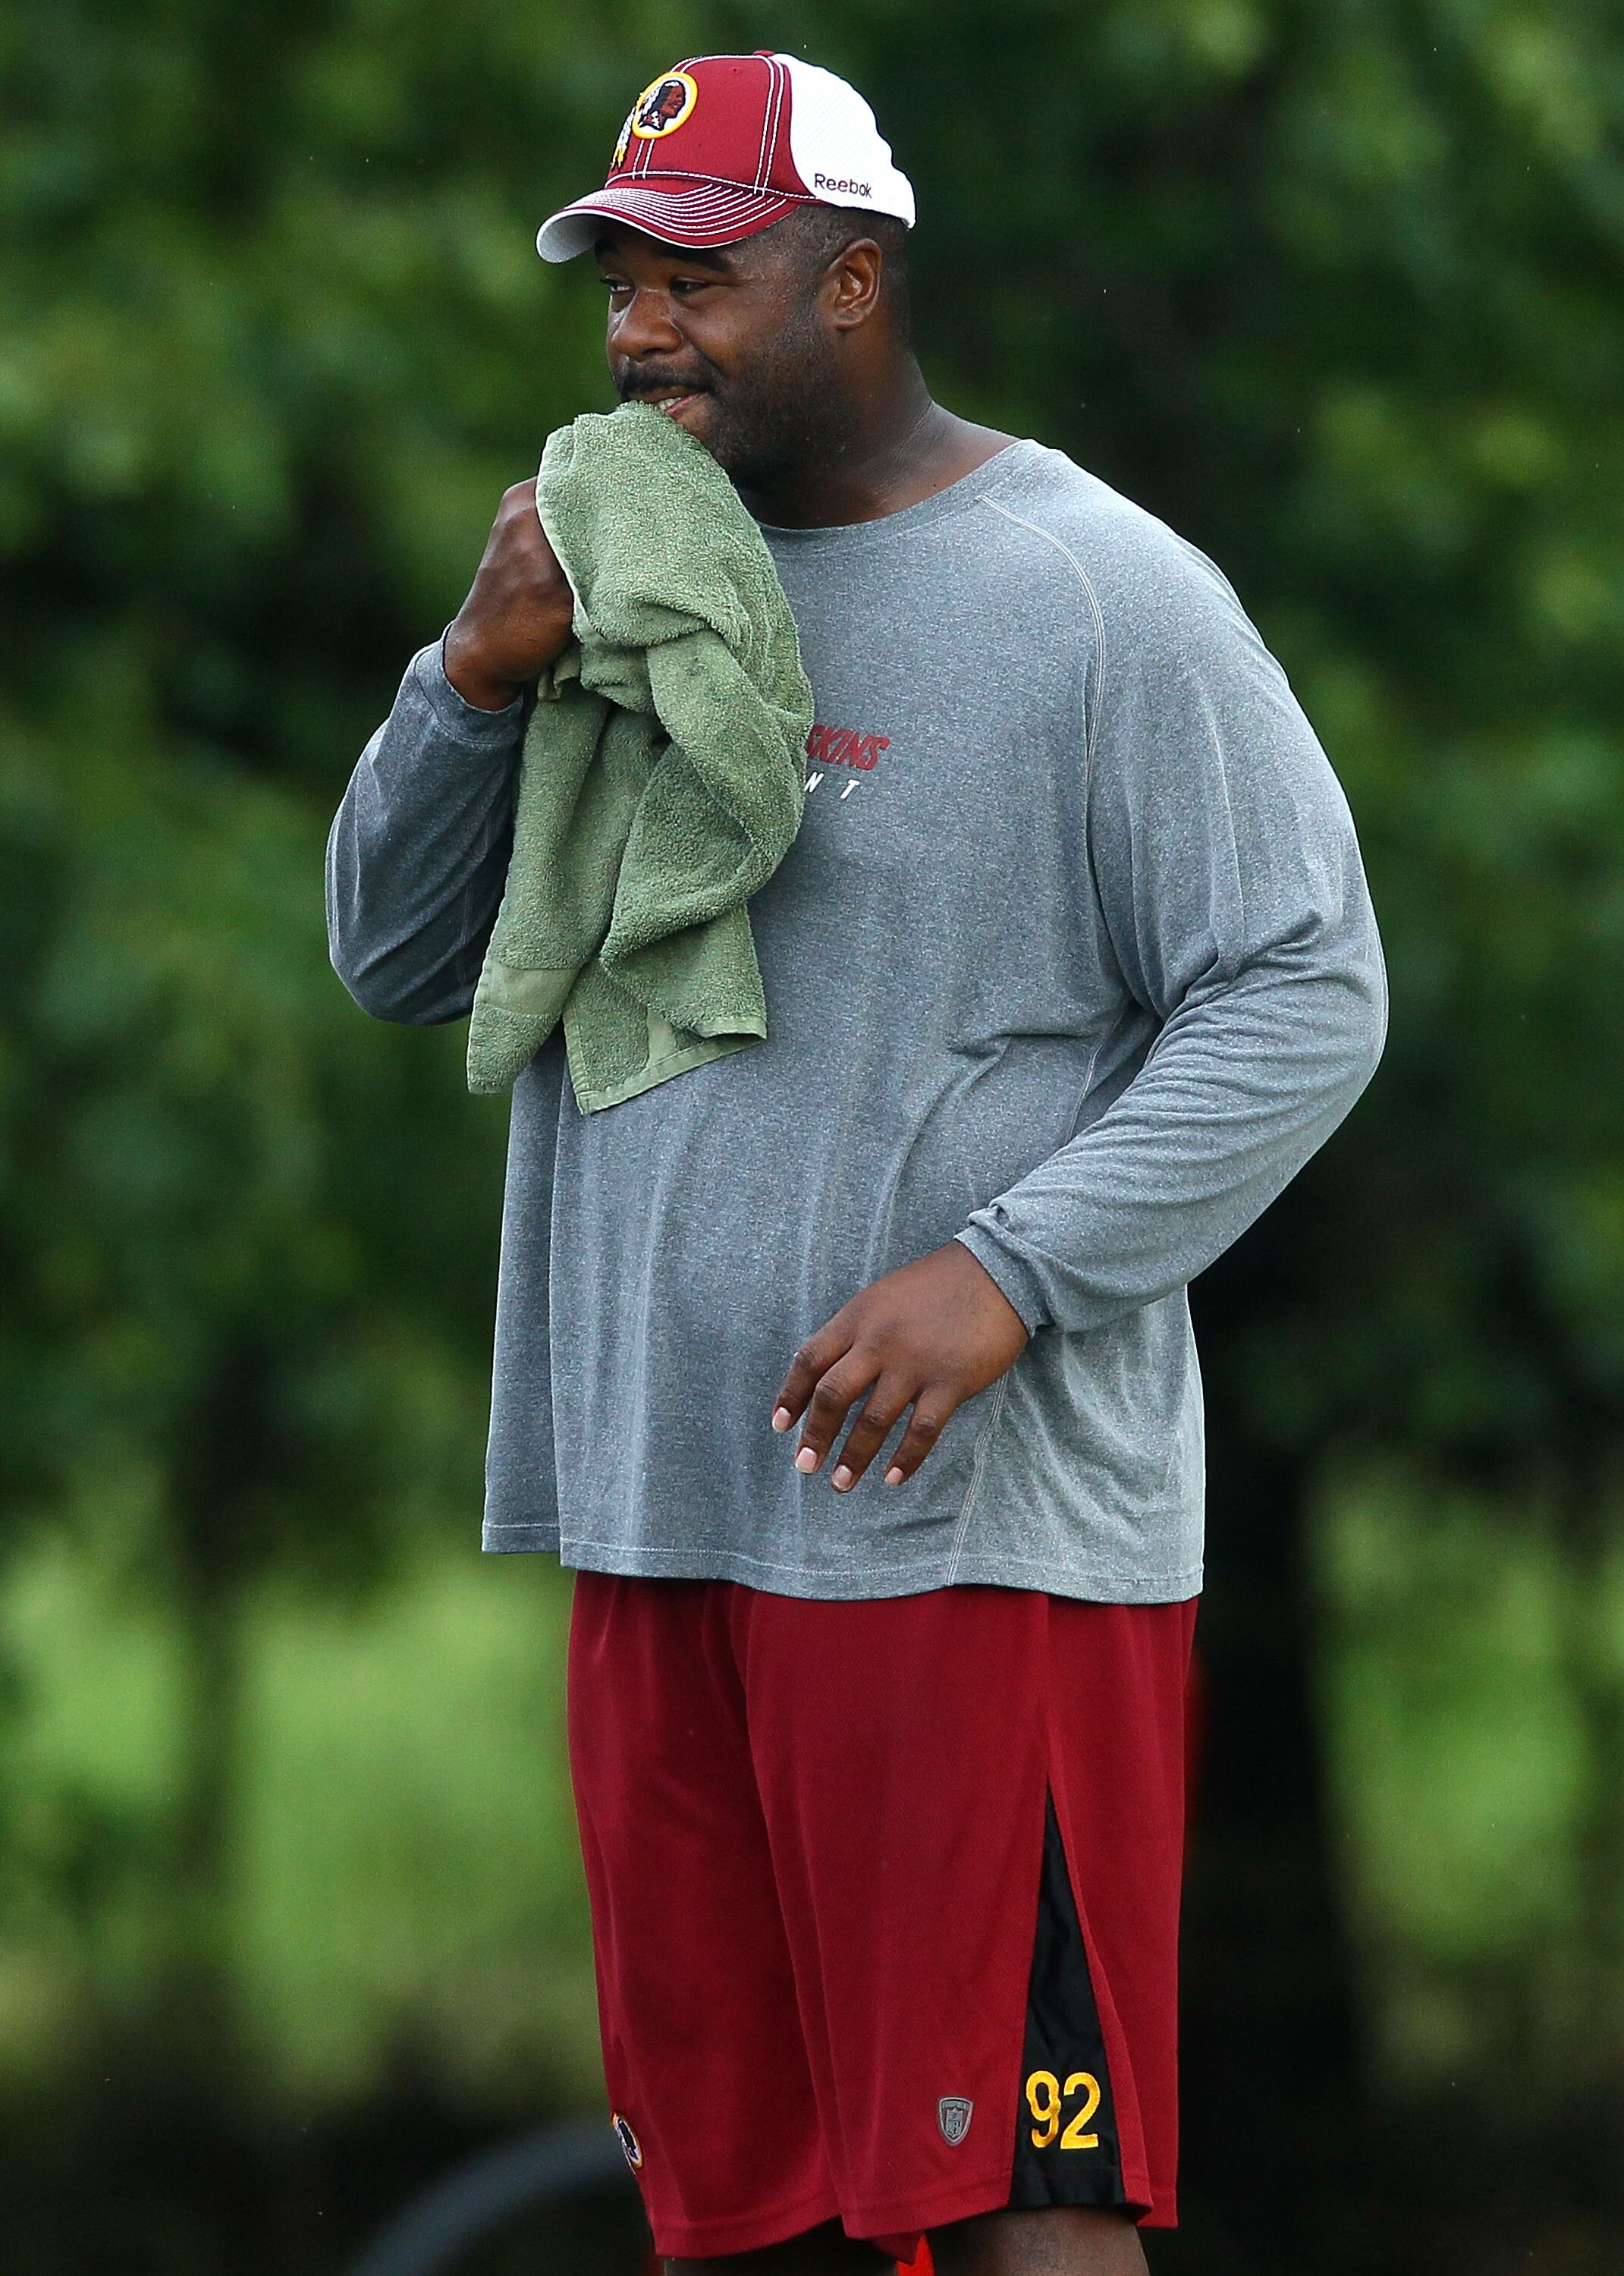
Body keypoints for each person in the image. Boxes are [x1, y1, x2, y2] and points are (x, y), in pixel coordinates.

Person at [325, 49, 1387, 2276]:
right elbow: (400, 957)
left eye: (700, 276)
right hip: (660, 1509)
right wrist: (475, 677)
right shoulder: (619, 582)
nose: (639, 329)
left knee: (1020, 2188)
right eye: (618, 276)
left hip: (964, 1558)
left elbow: (1303, 990)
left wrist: (1006, 1270)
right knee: (738, 2213)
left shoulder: (1102, 600)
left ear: (855, 281)